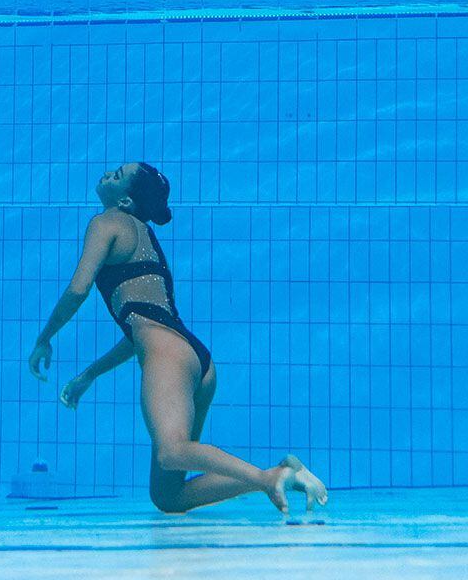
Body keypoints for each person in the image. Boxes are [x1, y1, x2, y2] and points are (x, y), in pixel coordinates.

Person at [28, 162, 329, 519]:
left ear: (125, 201)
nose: (108, 174)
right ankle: (279, 474)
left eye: (118, 176)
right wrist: (90, 374)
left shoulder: (106, 222)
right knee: (168, 496)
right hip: (194, 358)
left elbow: (79, 289)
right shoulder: (144, 238)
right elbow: (140, 332)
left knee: (172, 452)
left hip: (168, 355)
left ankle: (269, 479)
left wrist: (45, 338)